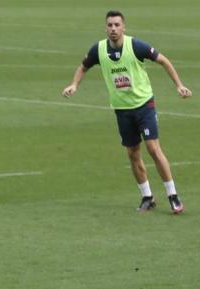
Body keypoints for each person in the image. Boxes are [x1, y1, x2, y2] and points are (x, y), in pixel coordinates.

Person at [62, 10, 192, 214]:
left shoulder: (136, 46)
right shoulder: (99, 49)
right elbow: (83, 66)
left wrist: (179, 85)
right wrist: (74, 85)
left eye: (117, 25)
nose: (113, 29)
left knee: (153, 149)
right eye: (110, 25)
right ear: (105, 28)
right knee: (132, 153)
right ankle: (147, 196)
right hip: (122, 110)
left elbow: (163, 60)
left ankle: (173, 195)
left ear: (124, 27)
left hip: (143, 105)